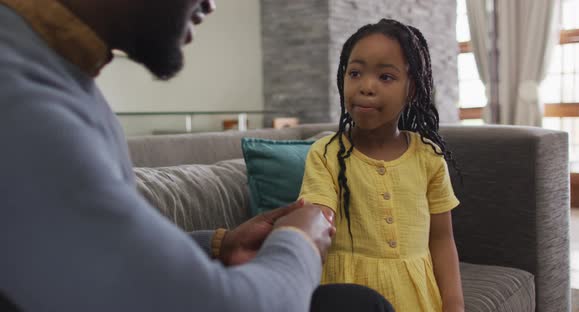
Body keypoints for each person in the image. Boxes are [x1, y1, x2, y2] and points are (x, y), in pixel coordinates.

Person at [0, 0, 395, 311]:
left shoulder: (62, 76)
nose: (212, 4)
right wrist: (302, 239)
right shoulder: (20, 102)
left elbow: (85, 255)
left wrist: (218, 245)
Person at [299, 19, 465, 312]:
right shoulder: (325, 153)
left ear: (411, 89)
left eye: (386, 77)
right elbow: (316, 220)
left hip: (417, 298)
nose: (366, 86)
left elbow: (441, 239)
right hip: (350, 298)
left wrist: (454, 304)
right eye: (355, 73)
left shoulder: (429, 157)